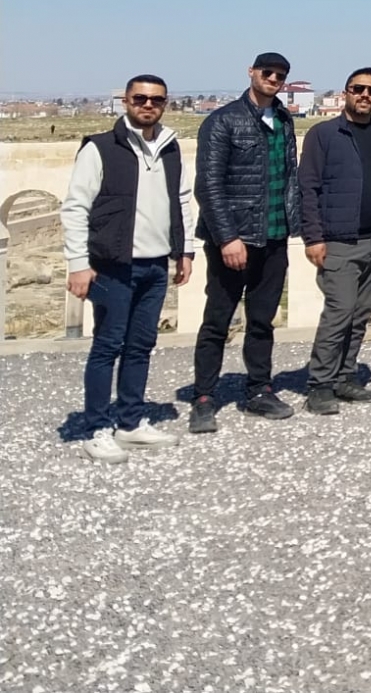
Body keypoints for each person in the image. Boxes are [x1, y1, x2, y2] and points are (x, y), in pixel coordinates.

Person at [62, 75, 196, 462]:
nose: (148, 105)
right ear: (126, 101)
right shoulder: (100, 149)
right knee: (107, 345)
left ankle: (131, 422)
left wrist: (184, 251)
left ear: (166, 104)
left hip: (155, 265)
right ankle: (96, 428)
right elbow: (75, 207)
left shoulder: (170, 149)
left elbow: (181, 202)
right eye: (140, 98)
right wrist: (77, 263)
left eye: (156, 99)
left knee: (140, 346)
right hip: (111, 266)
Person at [190, 51, 301, 433]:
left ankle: (259, 389)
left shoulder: (284, 120)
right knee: (217, 321)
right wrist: (227, 237)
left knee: (262, 321)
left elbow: (289, 177)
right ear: (252, 73)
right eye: (267, 72)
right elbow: (208, 185)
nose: (273, 78)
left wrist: (292, 225)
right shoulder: (222, 121)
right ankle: (204, 397)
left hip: (273, 237)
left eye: (280, 75)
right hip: (234, 241)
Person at [298, 68, 371, 415]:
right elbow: (308, 188)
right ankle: (319, 384)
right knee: (339, 313)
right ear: (345, 92)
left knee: (360, 315)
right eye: (358, 89)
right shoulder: (324, 134)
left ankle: (345, 377)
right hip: (340, 242)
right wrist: (313, 237)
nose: (365, 95)